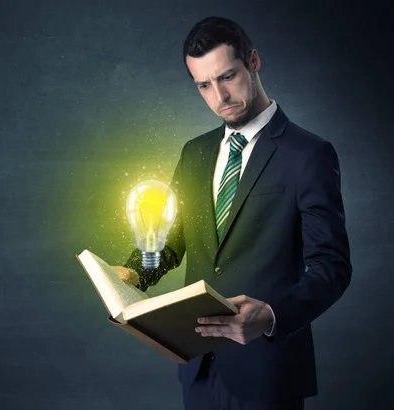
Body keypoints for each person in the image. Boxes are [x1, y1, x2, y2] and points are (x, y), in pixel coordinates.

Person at [112, 16, 352, 410]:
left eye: (227, 77)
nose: (219, 96)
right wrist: (134, 272)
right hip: (199, 367)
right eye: (204, 85)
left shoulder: (308, 154)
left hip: (268, 370)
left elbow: (333, 267)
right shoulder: (195, 152)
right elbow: (173, 241)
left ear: (253, 62)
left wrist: (273, 315)